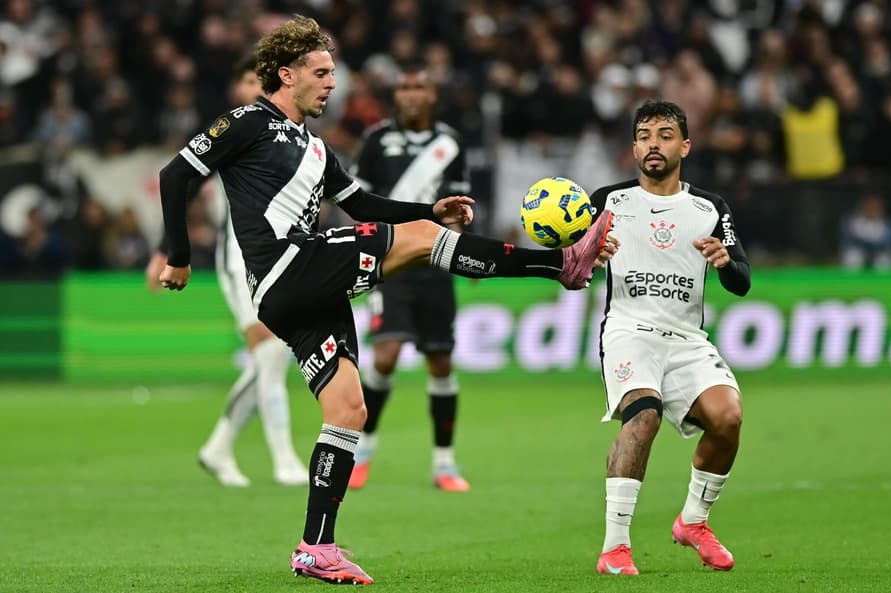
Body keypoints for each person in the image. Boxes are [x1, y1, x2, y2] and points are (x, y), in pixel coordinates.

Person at [157, 16, 618, 585]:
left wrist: (428, 212)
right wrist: (179, 256)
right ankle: (560, 264)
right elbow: (175, 174)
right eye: (322, 73)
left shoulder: (318, 151)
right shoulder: (250, 120)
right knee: (425, 250)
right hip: (286, 269)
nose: (333, 84)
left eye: (334, 74)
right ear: (286, 74)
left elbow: (365, 206)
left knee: (348, 408)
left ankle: (315, 547)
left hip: (302, 292)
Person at [589, 100, 750, 576]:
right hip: (629, 331)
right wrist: (588, 255)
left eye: (664, 134)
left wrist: (725, 260)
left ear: (685, 145)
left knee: (729, 417)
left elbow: (741, 280)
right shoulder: (607, 201)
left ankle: (693, 523)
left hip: (686, 338)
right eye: (644, 135)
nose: (653, 143)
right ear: (634, 146)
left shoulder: (709, 208)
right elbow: (569, 263)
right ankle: (614, 548)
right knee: (643, 415)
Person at [146, 55, 309, 488]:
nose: (253, 86)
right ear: (235, 88)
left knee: (272, 358)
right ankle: (284, 459)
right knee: (271, 353)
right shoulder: (232, 129)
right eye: (246, 79)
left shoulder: (289, 131)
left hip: (281, 252)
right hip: (238, 253)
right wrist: (166, 250)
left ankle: (219, 447)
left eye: (260, 79)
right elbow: (184, 185)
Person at [347, 65, 471, 493]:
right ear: (395, 96)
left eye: (419, 87)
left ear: (432, 95)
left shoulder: (450, 142)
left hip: (436, 264)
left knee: (441, 361)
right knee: (386, 356)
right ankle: (362, 452)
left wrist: (466, 254)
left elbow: (459, 207)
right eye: (404, 87)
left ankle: (444, 464)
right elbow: (358, 200)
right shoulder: (377, 140)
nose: (411, 94)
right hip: (391, 262)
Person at [840, 193, 891, 270]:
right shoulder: (851, 222)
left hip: (880, 254)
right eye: (869, 206)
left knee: (884, 261)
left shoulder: (890, 224)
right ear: (863, 207)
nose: (872, 209)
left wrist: (874, 245)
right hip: (859, 253)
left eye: (875, 206)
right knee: (852, 258)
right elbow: (847, 243)